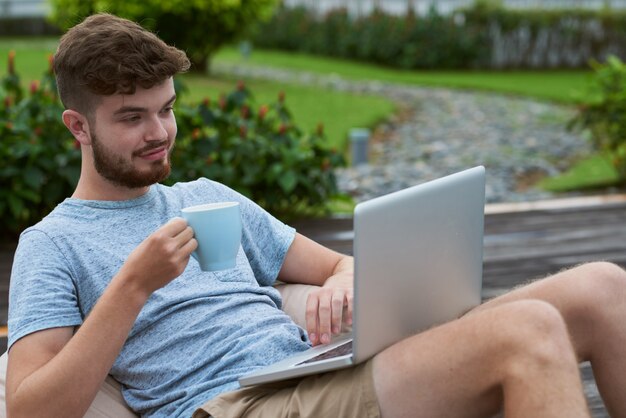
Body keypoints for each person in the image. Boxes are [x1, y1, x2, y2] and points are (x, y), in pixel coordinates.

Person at [5, 13, 626, 418]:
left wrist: (344, 283)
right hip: (231, 405)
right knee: (529, 332)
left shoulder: (206, 197)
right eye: (132, 117)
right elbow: (30, 408)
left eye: (165, 109)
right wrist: (133, 285)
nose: (160, 132)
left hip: (305, 367)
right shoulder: (53, 243)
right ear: (78, 126)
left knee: (604, 287)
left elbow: (337, 263)